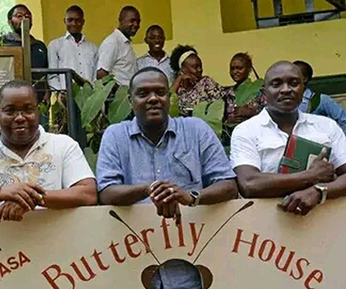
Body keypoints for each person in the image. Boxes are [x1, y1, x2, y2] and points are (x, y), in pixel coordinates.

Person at [0, 80, 97, 221]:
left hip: (56, 250)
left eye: (28, 109)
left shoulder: (63, 145)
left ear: (38, 112)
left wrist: (31, 199)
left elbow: (88, 193)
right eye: (10, 111)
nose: (20, 117)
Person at [97, 67, 238, 220]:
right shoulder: (116, 136)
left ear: (169, 97)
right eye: (143, 94)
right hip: (135, 235)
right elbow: (106, 193)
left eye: (160, 92)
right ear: (130, 101)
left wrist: (191, 197)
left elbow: (228, 185)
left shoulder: (197, 130)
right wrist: (149, 189)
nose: (153, 99)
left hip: (195, 233)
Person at [230, 61, 346, 216]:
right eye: (276, 84)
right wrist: (311, 176)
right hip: (266, 229)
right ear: (264, 93)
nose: (286, 89)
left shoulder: (326, 126)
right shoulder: (246, 131)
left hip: (325, 223)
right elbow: (249, 184)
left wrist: (318, 191)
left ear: (303, 89)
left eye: (294, 83)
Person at [293, 60, 346, 137]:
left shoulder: (320, 100)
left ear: (304, 79)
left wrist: (336, 144)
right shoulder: (282, 100)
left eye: (293, 74)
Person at [48, 5, 99, 90]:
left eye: (77, 20)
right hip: (67, 98)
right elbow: (52, 76)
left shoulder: (93, 48)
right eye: (70, 20)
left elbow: (95, 77)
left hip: (89, 98)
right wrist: (61, 92)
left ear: (83, 22)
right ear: (65, 21)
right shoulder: (55, 45)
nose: (74, 24)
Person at [221, 52, 265, 146]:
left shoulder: (258, 89)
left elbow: (270, 112)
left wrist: (251, 112)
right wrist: (227, 122)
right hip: (231, 139)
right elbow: (219, 119)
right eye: (232, 68)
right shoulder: (227, 93)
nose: (235, 72)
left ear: (249, 69)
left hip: (253, 139)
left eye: (239, 68)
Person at [169, 44, 228, 114]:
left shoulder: (206, 82)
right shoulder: (178, 88)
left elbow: (222, 103)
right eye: (195, 67)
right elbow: (167, 99)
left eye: (200, 66)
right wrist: (179, 79)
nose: (199, 70)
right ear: (183, 69)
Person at [0, 4, 48, 70]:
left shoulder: (39, 46)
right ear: (9, 21)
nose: (24, 19)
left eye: (27, 16)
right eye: (19, 16)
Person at [96, 5, 141, 86]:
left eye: (138, 21)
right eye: (132, 21)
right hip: (118, 97)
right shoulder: (113, 42)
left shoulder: (125, 42)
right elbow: (102, 74)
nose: (136, 24)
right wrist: (119, 93)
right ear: (121, 21)